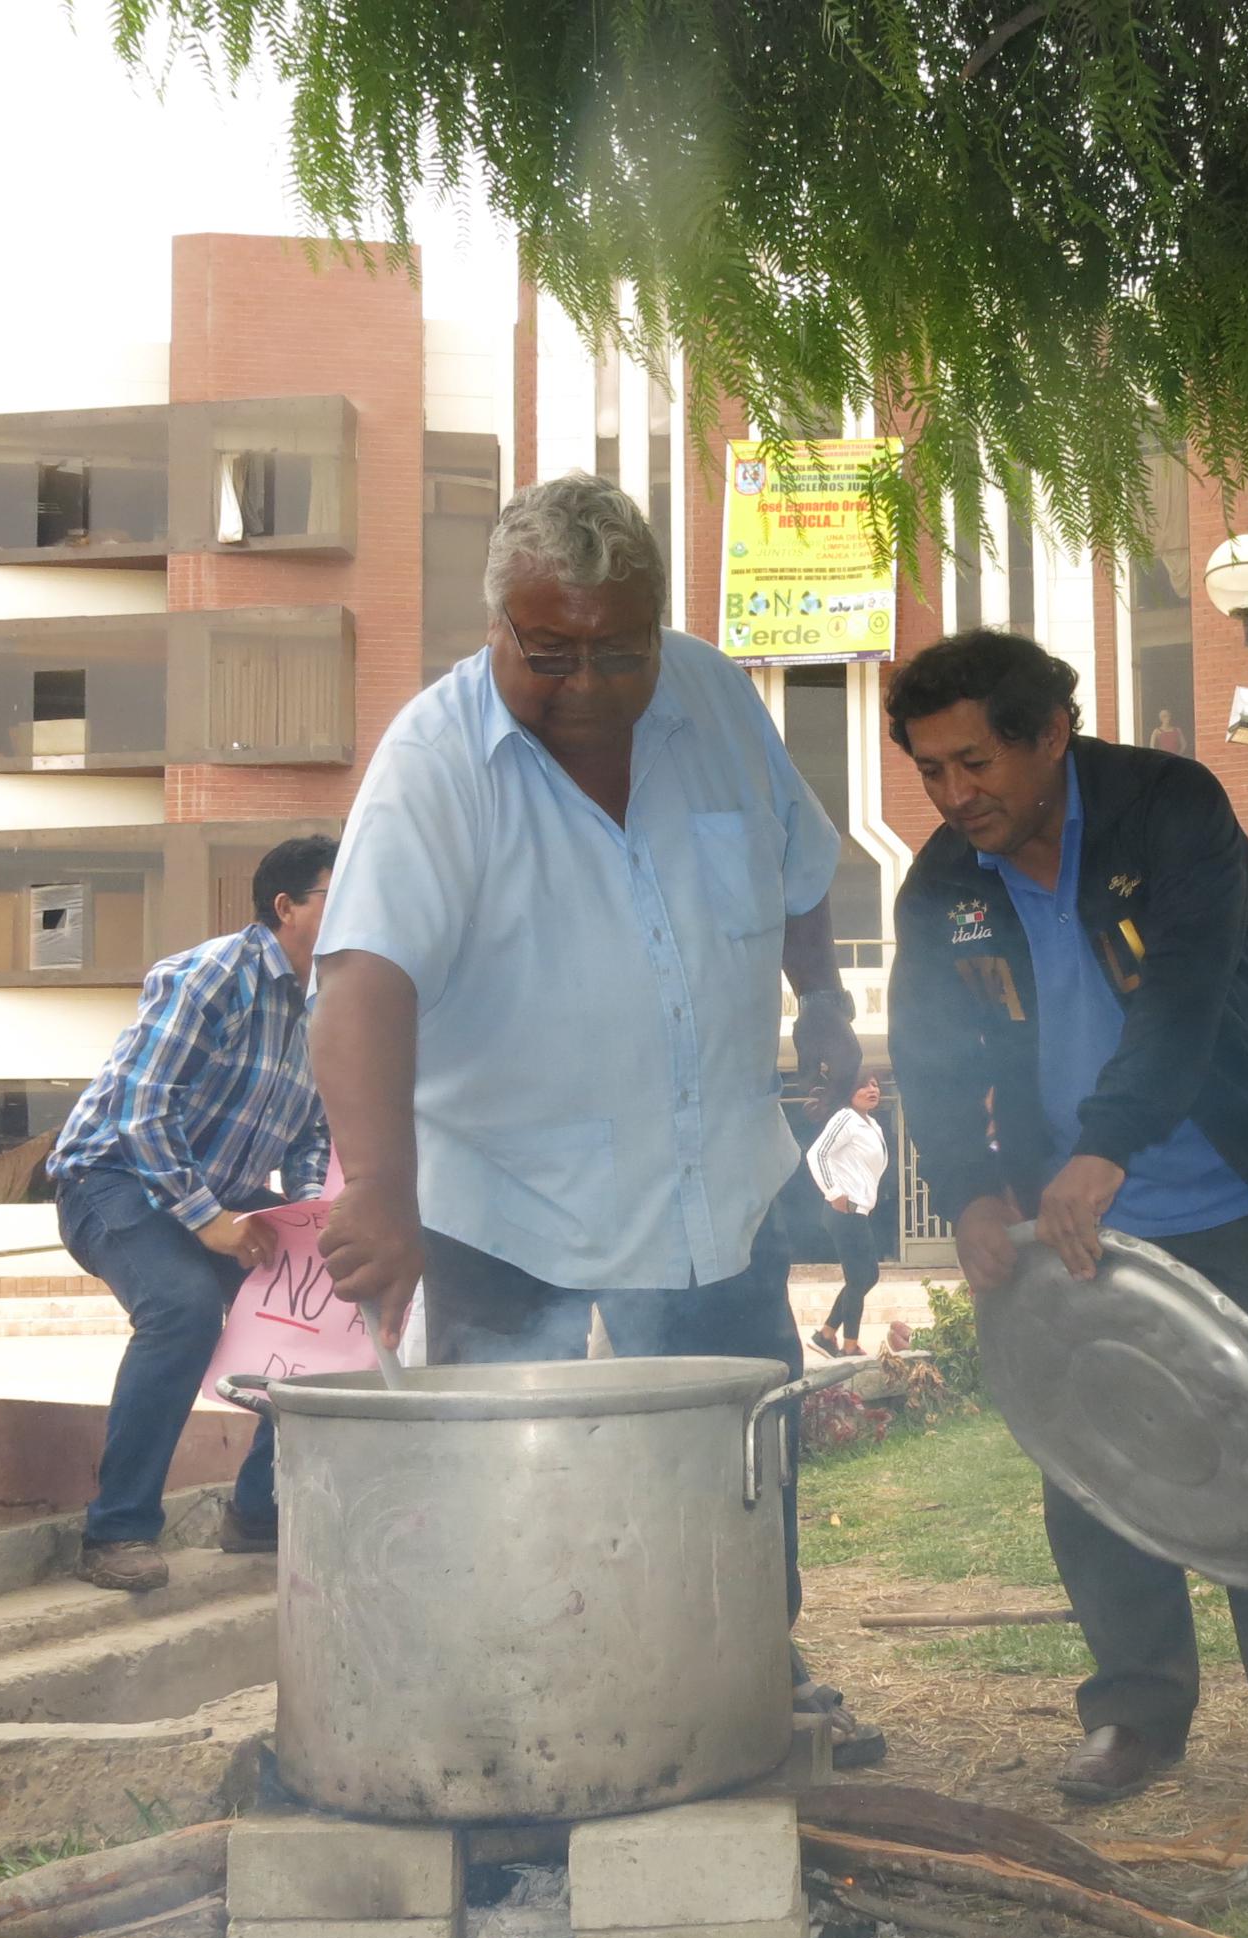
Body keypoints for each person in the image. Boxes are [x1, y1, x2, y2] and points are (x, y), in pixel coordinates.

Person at [310, 472, 875, 1753]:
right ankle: (503, 1705)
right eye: (545, 651)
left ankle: (747, 1676)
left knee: (741, 1451)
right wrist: (378, 1188)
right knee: (502, 1473)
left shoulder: (715, 696)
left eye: (616, 651)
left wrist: (822, 996)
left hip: (711, 1184)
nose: (583, 683)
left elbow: (793, 863)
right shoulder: (433, 757)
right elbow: (361, 980)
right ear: (495, 624)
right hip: (508, 1203)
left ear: (659, 623)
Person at [886, 626, 1248, 1807]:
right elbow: (929, 1051)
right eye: (930, 770)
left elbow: (1179, 996)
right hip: (1068, 1233)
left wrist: (1103, 1147)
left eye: (975, 762)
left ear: (1049, 734)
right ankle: (1132, 1714)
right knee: (1095, 1471)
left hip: (1236, 1198)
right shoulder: (940, 887)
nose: (953, 793)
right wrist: (973, 1187)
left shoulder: (1168, 807)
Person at [47, 834, 337, 1591]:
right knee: (182, 1309)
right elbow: (142, 1110)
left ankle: (257, 1510)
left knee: (319, 1310)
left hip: (225, 1191)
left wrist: (308, 1221)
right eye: (340, 897)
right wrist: (208, 1220)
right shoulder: (211, 976)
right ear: (287, 908)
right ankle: (116, 1532)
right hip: (114, 1178)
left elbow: (311, 1130)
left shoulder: (329, 1006)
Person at [807, 1071, 890, 1356]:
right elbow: (816, 1154)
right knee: (860, 1278)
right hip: (844, 1210)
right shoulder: (845, 1118)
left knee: (867, 1276)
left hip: (859, 1211)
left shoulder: (872, 1125)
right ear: (850, 1091)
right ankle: (849, 1345)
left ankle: (826, 1334)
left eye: (876, 1084)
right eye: (864, 1085)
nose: (872, 1089)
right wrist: (833, 1192)